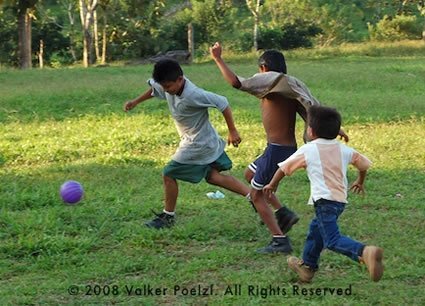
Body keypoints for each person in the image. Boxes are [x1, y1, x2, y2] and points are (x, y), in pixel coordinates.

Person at [210, 42, 348, 254]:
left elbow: (236, 82)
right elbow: (312, 109)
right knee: (250, 174)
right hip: (279, 148)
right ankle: (283, 213)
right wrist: (334, 127)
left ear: (264, 68)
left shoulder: (271, 80)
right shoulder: (289, 85)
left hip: (277, 149)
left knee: (256, 195)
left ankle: (279, 240)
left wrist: (218, 59)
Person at [124, 58, 251, 229]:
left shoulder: (193, 94)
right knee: (213, 177)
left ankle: (168, 217)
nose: (166, 91)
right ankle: (254, 197)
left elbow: (223, 103)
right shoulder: (168, 86)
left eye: (168, 87)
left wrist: (233, 130)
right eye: (164, 87)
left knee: (169, 173)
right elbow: (154, 90)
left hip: (197, 144)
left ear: (180, 79)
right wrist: (136, 101)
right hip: (206, 140)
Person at [263, 105, 384, 283]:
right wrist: (360, 181)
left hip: (324, 201)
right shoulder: (344, 149)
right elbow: (364, 164)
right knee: (316, 230)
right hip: (340, 201)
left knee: (332, 240)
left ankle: (364, 252)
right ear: (337, 131)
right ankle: (307, 267)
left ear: (310, 131)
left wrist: (272, 184)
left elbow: (283, 168)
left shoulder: (309, 149)